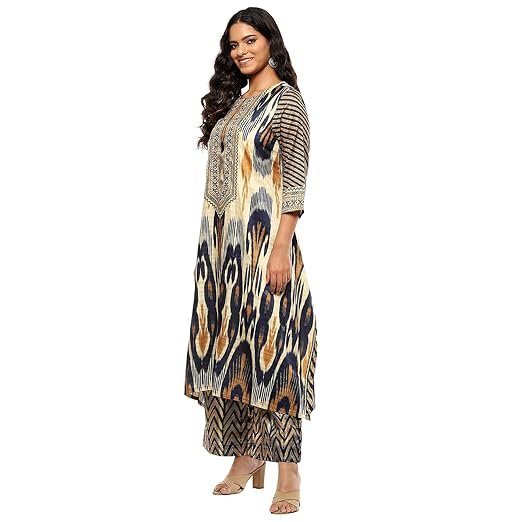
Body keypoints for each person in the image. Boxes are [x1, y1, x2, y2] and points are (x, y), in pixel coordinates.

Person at [184, 6, 318, 515]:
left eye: (250, 41)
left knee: (276, 354)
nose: (240, 51)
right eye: (233, 44)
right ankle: (247, 456)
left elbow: (295, 182)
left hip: (265, 250)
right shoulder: (236, 104)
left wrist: (281, 247)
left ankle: (288, 471)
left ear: (270, 42)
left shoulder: (286, 101)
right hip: (222, 255)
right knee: (232, 353)